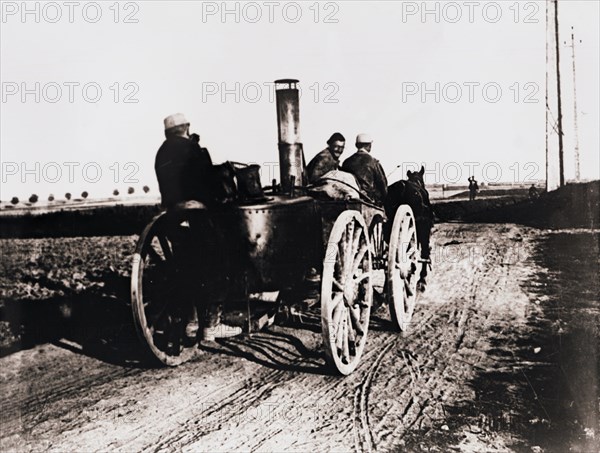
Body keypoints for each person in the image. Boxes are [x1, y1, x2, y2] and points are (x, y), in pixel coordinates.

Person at [155, 113, 242, 341]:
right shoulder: (192, 149)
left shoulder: (161, 152)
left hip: (173, 218)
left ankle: (191, 323)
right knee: (220, 262)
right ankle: (212, 325)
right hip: (197, 216)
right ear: (186, 128)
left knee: (187, 269)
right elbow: (208, 183)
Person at [341, 133, 388, 205]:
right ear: (369, 145)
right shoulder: (373, 162)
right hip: (368, 199)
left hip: (348, 197)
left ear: (356, 145)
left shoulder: (346, 162)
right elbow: (382, 185)